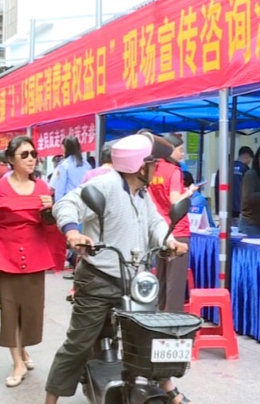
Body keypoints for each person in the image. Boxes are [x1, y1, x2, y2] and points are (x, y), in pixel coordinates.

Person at [44, 133, 191, 404]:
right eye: (152, 163)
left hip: (133, 280)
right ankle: (50, 400)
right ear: (138, 165)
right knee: (78, 344)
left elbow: (156, 223)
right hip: (98, 280)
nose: (156, 168)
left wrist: (168, 240)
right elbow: (66, 204)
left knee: (150, 335)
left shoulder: (141, 193)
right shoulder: (107, 185)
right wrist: (73, 232)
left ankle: (168, 388)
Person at [0, 136, 58, 388]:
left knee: (31, 312)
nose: (31, 158)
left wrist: (49, 210)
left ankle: (23, 350)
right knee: (10, 312)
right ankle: (17, 362)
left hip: (34, 257)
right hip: (6, 257)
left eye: (33, 153)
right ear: (11, 160)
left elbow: (49, 226)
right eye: (24, 154)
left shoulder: (43, 187)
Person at [149, 133, 196, 312]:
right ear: (170, 150)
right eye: (180, 150)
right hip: (178, 230)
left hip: (160, 231)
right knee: (175, 283)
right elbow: (175, 200)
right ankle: (173, 323)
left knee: (160, 278)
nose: (182, 153)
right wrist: (189, 192)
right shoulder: (174, 171)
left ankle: (157, 317)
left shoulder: (153, 169)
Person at [214, 146, 254, 218]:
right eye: (249, 160)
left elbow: (217, 187)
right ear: (246, 157)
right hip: (240, 208)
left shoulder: (224, 167)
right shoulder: (246, 170)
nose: (249, 162)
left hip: (223, 207)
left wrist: (217, 208)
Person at [51, 135, 91, 201]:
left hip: (70, 203)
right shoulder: (87, 165)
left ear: (65, 148)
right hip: (84, 203)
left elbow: (60, 190)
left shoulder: (64, 165)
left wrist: (58, 206)